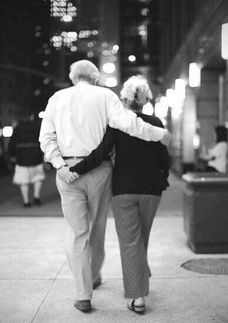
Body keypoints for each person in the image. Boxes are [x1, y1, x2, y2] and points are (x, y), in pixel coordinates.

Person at [39, 60, 171, 313]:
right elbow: (129, 123)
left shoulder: (57, 98)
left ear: (72, 76)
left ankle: (83, 294)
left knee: (77, 233)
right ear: (96, 77)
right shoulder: (105, 96)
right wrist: (159, 134)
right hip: (99, 172)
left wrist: (60, 165)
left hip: (67, 172)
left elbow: (46, 137)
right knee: (97, 229)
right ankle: (95, 273)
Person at [8, 113, 45, 207]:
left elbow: (12, 143)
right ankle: (36, 197)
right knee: (38, 177)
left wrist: (12, 155)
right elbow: (43, 140)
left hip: (21, 157)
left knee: (23, 179)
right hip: (35, 155)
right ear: (31, 116)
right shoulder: (37, 127)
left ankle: (26, 201)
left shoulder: (17, 128)